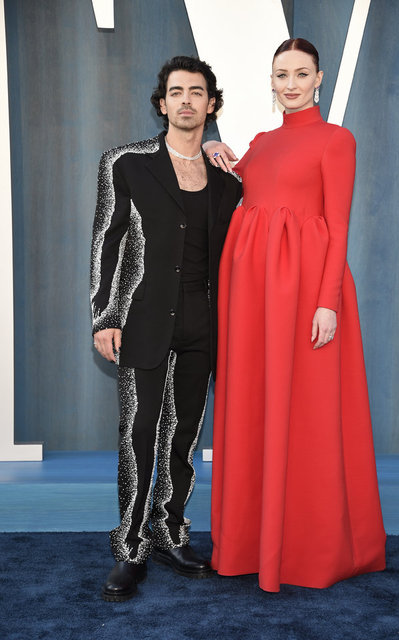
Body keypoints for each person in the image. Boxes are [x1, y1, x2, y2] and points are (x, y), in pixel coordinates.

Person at [204, 38, 386, 592]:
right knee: (256, 406)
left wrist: (328, 301)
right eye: (281, 74)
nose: (290, 84)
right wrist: (216, 149)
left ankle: (311, 549)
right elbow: (247, 185)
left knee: (308, 412)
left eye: (301, 74)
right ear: (271, 80)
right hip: (253, 297)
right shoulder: (261, 142)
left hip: (306, 294)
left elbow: (338, 224)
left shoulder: (336, 140)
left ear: (319, 79)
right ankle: (251, 543)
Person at [90, 55, 242, 601]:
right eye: (176, 92)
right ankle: (129, 548)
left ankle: (170, 532)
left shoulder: (228, 181)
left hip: (205, 324)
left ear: (211, 104)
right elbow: (106, 241)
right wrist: (105, 316)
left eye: (196, 92)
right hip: (143, 319)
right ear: (162, 104)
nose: (185, 101)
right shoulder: (125, 163)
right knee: (139, 436)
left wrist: (229, 158)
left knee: (183, 436)